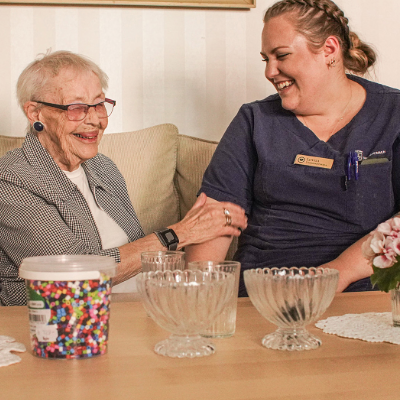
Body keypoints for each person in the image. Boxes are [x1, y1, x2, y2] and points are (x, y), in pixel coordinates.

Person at [186, 0, 400, 296]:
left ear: (329, 50)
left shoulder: (393, 114)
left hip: (359, 292)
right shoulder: (255, 121)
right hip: (262, 292)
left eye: (282, 55)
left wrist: (336, 274)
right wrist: (200, 296)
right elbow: (213, 220)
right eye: (265, 59)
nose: (270, 71)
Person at [0, 50, 247, 306]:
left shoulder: (103, 168)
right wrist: (180, 233)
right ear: (36, 113)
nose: (95, 120)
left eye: (98, 104)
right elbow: (73, 277)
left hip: (138, 309)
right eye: (76, 108)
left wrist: (199, 231)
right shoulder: (10, 181)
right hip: (65, 320)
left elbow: (139, 259)